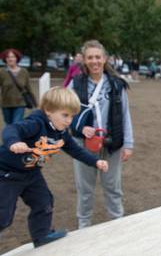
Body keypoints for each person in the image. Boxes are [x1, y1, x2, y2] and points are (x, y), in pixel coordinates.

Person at [0, 87, 109, 248]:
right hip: (7, 174)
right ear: (48, 110)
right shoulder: (36, 123)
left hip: (32, 174)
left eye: (72, 116)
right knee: (3, 216)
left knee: (44, 202)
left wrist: (95, 162)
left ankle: (41, 235)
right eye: (65, 115)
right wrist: (14, 142)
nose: (69, 121)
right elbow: (12, 129)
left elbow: (76, 150)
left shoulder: (62, 133)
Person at [69, 40, 134, 229]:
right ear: (84, 60)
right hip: (83, 146)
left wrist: (128, 144)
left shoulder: (116, 84)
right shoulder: (76, 84)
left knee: (113, 187)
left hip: (111, 144)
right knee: (85, 189)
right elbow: (66, 113)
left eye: (98, 57)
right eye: (90, 57)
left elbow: (125, 114)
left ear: (104, 59)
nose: (94, 61)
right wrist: (80, 128)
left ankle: (117, 222)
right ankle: (83, 226)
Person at [0, 48, 36, 125]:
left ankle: (15, 137)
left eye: (12, 57)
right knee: (9, 124)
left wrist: (35, 103)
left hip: (20, 104)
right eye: (8, 57)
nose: (10, 59)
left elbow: (28, 88)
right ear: (5, 59)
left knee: (16, 123)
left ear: (17, 58)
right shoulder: (2, 72)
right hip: (6, 104)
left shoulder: (24, 71)